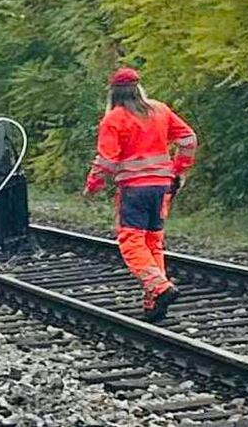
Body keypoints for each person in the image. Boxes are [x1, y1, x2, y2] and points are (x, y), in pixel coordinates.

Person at [84, 67, 197, 321]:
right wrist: (178, 171)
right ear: (139, 89)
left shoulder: (114, 119)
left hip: (134, 190)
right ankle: (153, 300)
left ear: (113, 94)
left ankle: (160, 287)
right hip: (161, 187)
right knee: (152, 240)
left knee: (132, 242)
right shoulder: (160, 110)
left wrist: (92, 185)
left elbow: (107, 162)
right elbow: (188, 140)